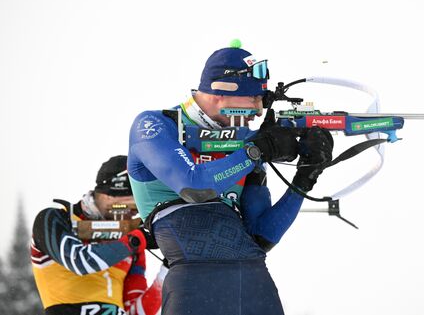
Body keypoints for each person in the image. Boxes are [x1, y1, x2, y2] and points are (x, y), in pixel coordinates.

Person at [128, 41, 333, 315]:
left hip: (255, 286)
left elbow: (261, 236)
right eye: (253, 99)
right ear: (220, 92)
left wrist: (306, 175)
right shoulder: (154, 125)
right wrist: (257, 150)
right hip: (193, 288)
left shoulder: (243, 142)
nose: (259, 110)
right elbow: (195, 186)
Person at [31, 155, 167, 315]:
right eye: (124, 206)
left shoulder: (131, 242)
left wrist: (168, 268)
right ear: (105, 195)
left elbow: (135, 312)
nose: (130, 215)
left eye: (136, 210)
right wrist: (136, 240)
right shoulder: (56, 218)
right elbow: (80, 262)